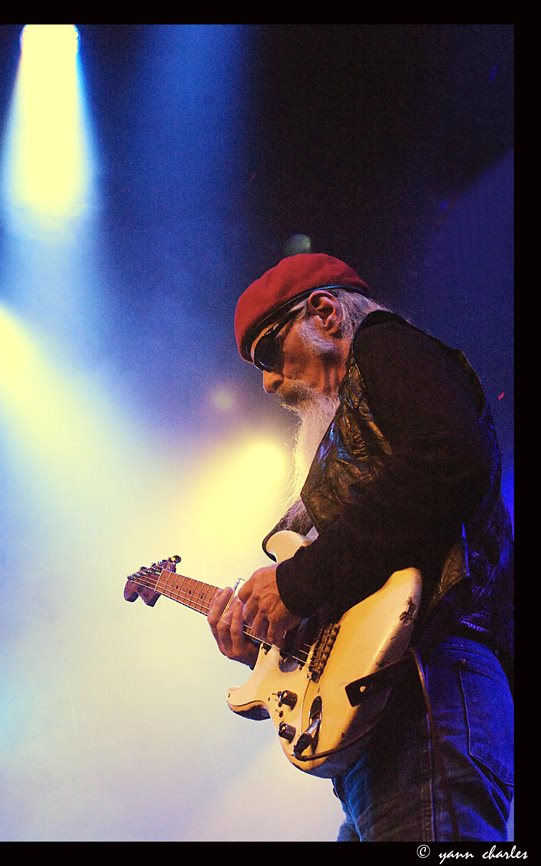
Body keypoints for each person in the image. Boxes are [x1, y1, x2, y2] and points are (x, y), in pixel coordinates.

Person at [204, 252, 514, 842]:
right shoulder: (355, 427)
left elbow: (449, 458)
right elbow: (366, 592)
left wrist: (297, 581)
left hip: (432, 692)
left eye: (268, 355)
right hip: (390, 725)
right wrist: (270, 647)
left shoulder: (384, 346)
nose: (268, 382)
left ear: (324, 313)